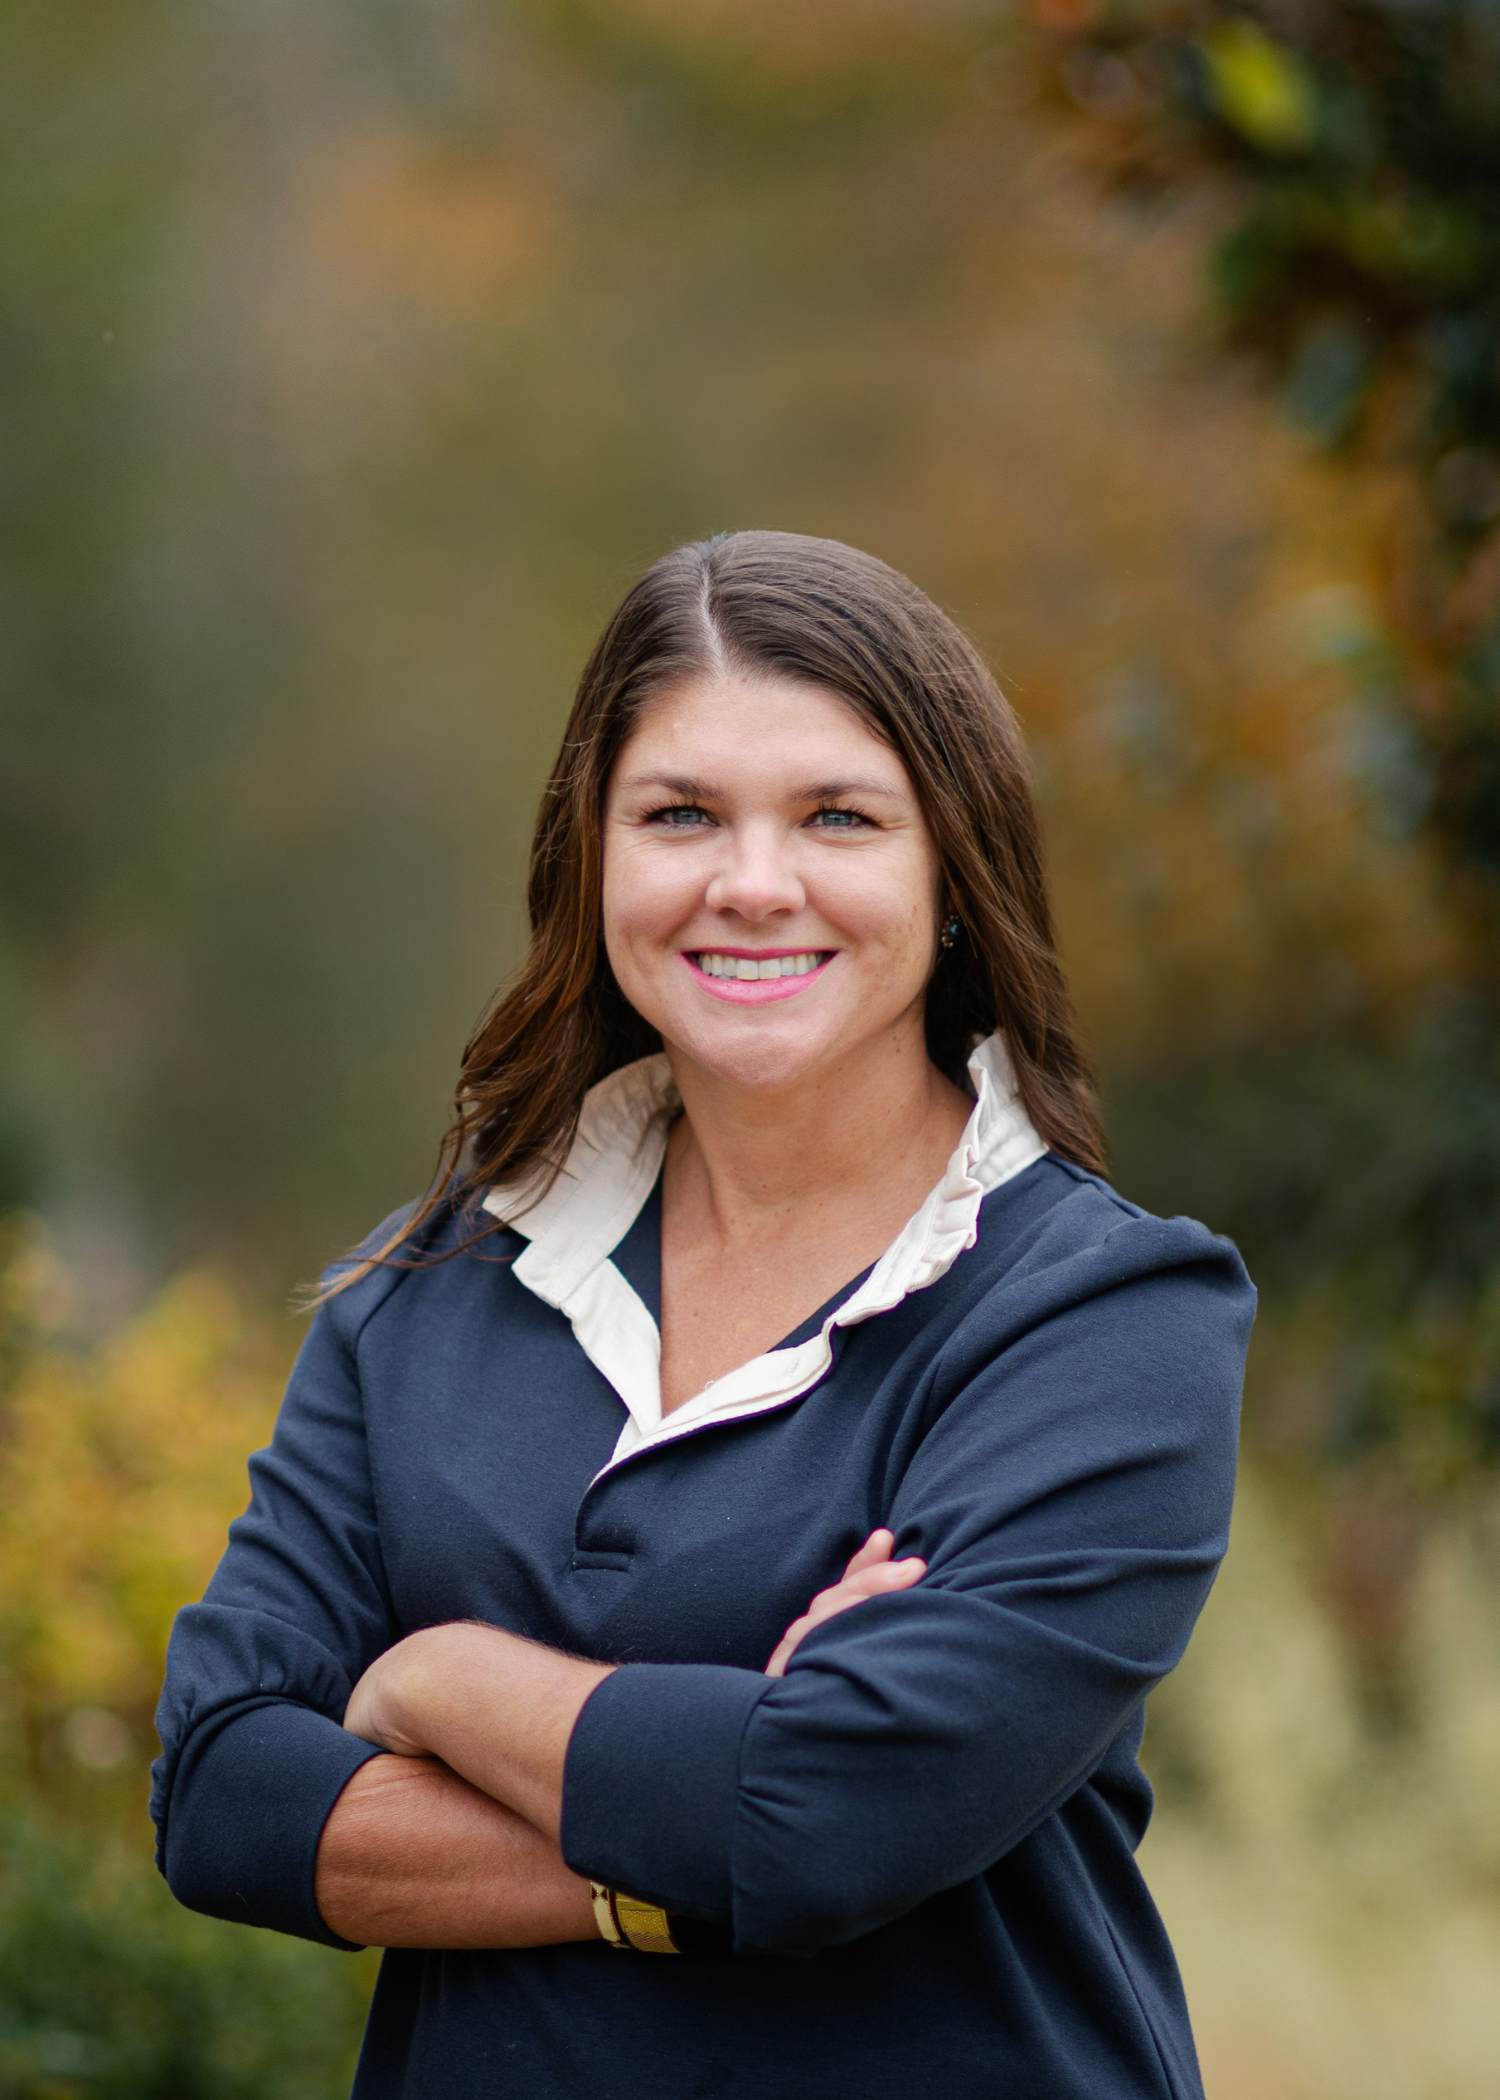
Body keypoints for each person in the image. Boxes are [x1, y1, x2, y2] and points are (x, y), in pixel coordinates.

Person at [152, 530, 1254, 2100]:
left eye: (838, 818)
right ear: (592, 859)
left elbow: (831, 1818)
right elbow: (220, 1795)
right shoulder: (429, 1288)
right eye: (679, 815)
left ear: (954, 873)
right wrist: (717, 1808)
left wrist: (438, 1681)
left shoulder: (1105, 1316)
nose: (750, 883)